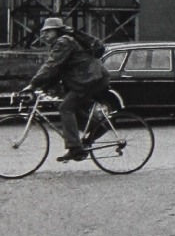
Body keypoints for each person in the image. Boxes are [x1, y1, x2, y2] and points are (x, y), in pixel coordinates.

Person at [22, 16, 111, 162]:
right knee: (72, 108)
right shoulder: (63, 42)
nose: (44, 35)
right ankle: (98, 129)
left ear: (57, 31)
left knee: (66, 108)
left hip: (91, 80)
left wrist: (33, 84)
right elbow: (58, 70)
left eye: (48, 31)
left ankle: (75, 148)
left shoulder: (65, 42)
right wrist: (44, 86)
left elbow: (52, 65)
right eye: (44, 32)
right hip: (87, 80)